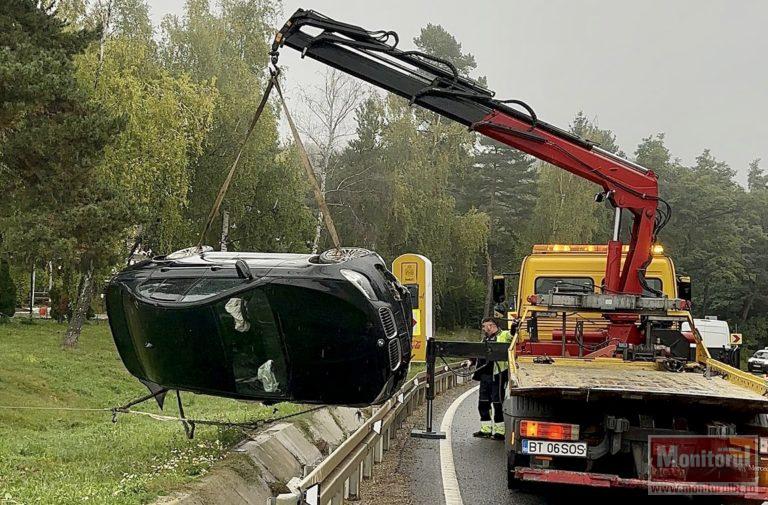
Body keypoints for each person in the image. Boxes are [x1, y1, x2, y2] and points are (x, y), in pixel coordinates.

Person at [472, 317, 511, 440]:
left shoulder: (503, 334)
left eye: (485, 326)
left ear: (491, 325)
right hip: (485, 375)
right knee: (483, 402)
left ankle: (500, 432)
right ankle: (486, 429)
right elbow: (478, 352)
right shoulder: (485, 339)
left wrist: (515, 327)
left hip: (498, 375)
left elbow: (513, 336)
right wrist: (470, 361)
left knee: (497, 402)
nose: (483, 329)